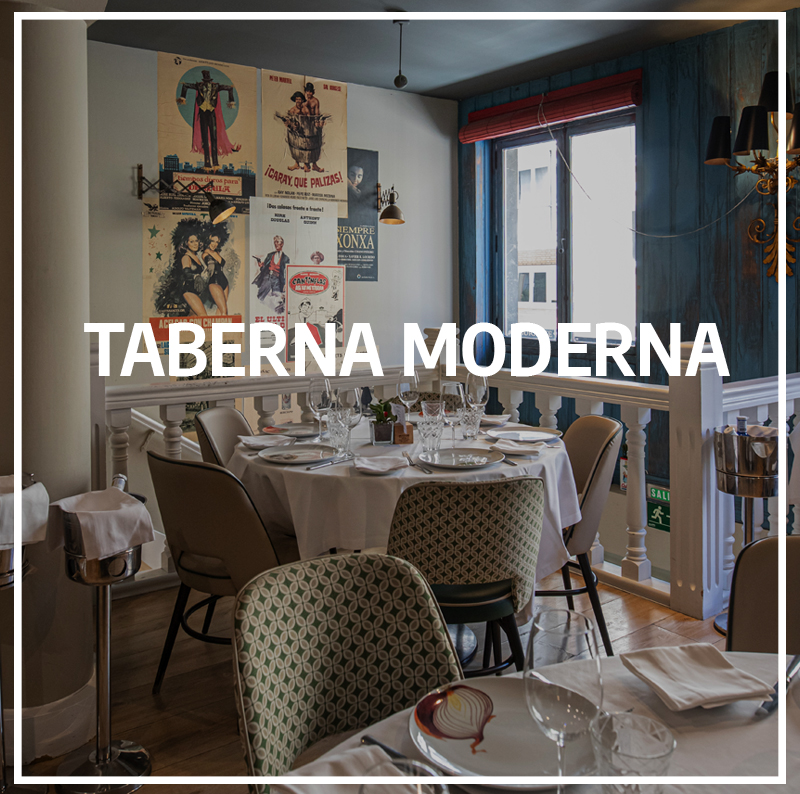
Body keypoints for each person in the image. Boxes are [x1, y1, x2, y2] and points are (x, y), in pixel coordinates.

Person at [177, 70, 236, 171]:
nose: (206, 84)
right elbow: (185, 85)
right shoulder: (199, 86)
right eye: (205, 81)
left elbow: (229, 88)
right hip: (203, 114)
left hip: (211, 113)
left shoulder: (216, 86)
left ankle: (215, 163)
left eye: (208, 82)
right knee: (205, 138)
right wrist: (183, 97)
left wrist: (231, 100)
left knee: (214, 138)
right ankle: (207, 163)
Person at [175, 225, 207, 317]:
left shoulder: (197, 256)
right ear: (186, 243)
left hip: (197, 293)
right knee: (204, 317)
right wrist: (195, 276)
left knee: (194, 320)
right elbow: (186, 273)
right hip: (189, 292)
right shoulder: (186, 257)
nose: (195, 244)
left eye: (196, 241)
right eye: (191, 241)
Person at [202, 228, 230, 316]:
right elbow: (221, 261)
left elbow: (222, 262)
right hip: (214, 282)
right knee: (224, 312)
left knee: (221, 311)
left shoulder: (214, 252)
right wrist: (210, 252)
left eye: (217, 242)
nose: (215, 244)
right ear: (208, 240)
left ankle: (216, 326)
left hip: (224, 282)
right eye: (212, 241)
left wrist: (211, 252)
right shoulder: (205, 254)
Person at [253, 235, 289, 303]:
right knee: (260, 296)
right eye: (275, 242)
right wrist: (261, 265)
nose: (276, 244)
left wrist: (285, 283)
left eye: (277, 242)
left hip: (277, 280)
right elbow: (264, 268)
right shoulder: (270, 255)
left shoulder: (286, 258)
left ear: (282, 244)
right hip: (267, 277)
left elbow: (286, 272)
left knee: (278, 297)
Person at [284, 92, 307, 171]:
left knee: (305, 147)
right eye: (297, 99)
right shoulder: (292, 110)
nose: (298, 101)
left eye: (299, 99)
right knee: (296, 147)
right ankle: (296, 164)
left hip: (305, 131)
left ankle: (306, 165)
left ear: (302, 100)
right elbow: (289, 121)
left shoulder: (305, 109)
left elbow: (309, 120)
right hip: (295, 132)